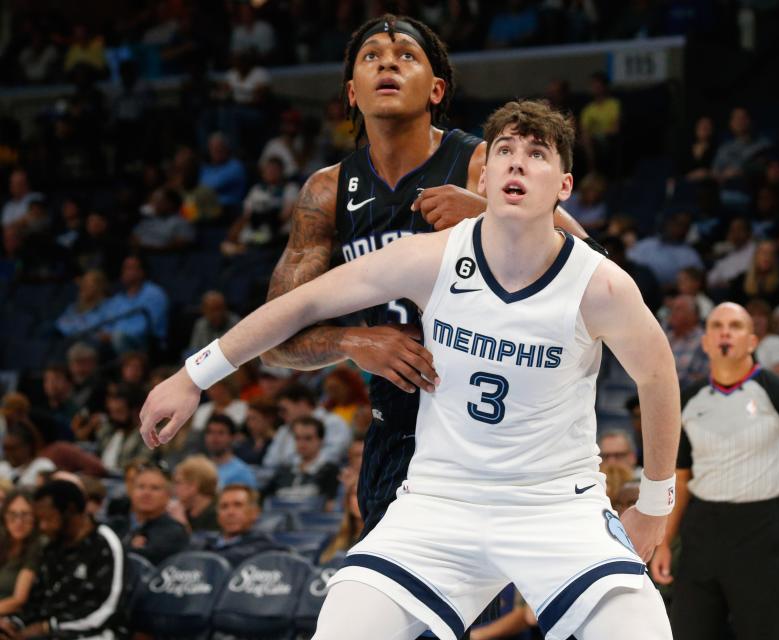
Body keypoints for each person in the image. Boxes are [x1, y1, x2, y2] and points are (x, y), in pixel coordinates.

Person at [140, 99, 680, 640]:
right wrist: (193, 375)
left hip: (556, 505)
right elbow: (301, 304)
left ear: (564, 187)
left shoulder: (600, 284)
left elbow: (658, 377)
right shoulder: (431, 257)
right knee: (342, 628)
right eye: (505, 151)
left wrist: (655, 506)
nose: (517, 162)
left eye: (536, 154)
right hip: (440, 501)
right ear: (485, 173)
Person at [258, 14, 588, 538]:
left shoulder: (482, 160)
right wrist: (354, 341)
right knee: (394, 610)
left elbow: (591, 261)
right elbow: (273, 340)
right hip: (396, 426)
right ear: (351, 92)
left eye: (406, 55)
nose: (388, 62)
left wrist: (489, 214)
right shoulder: (327, 191)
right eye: (372, 57)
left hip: (493, 417)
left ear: (436, 89)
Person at [649, 302, 779, 640]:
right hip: (701, 528)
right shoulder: (689, 399)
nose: (725, 332)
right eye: (716, 325)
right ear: (706, 342)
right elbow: (681, 477)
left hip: (759, 528)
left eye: (735, 325)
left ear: (752, 342)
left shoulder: (777, 390)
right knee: (689, 630)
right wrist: (665, 542)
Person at [0, 480, 126, 639]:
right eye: (40, 521)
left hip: (92, 633)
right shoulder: (52, 545)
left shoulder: (104, 543)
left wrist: (47, 627)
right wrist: (15, 622)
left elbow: (108, 609)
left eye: (48, 519)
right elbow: (37, 600)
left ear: (70, 511)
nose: (43, 527)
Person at [109, 463, 189, 564]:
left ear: (168, 495)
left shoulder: (174, 532)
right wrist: (130, 546)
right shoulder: (116, 525)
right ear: (131, 492)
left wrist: (125, 548)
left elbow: (150, 558)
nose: (146, 493)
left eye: (155, 488)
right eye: (141, 487)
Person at [199, 484, 285, 566]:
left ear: (255, 513)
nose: (230, 512)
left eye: (238, 505)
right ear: (217, 514)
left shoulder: (265, 546)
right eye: (224, 506)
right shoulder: (204, 544)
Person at [263, 416, 340, 503]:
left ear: (320, 441)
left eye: (308, 438)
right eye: (297, 438)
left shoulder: (331, 471)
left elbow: (329, 504)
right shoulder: (283, 470)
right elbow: (264, 498)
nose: (302, 443)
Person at [0, 491, 41, 616]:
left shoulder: (37, 546)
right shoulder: (3, 539)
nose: (18, 521)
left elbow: (18, 600)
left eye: (26, 515)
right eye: (12, 514)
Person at [204, 414, 256, 489]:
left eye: (221, 433)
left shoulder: (242, 472)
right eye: (210, 432)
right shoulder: (199, 468)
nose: (214, 437)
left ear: (232, 437)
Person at [318, 480, 364, 563]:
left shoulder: (381, 540)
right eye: (355, 494)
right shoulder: (332, 539)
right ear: (348, 501)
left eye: (365, 494)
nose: (360, 499)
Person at [171, 455, 220, 532]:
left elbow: (205, 543)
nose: (174, 489)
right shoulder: (185, 511)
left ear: (193, 486)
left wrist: (182, 524)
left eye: (178, 482)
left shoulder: (218, 515)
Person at [0, 423, 55, 489]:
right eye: (5, 449)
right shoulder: (2, 467)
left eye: (12, 449)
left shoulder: (43, 466)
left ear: (27, 447)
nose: (8, 453)